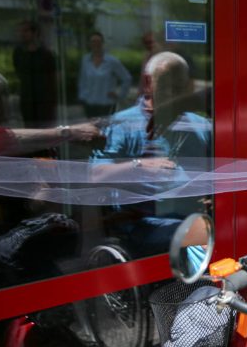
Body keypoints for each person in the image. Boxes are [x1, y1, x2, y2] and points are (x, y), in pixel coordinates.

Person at [90, 51, 210, 257]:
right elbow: (96, 174)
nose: (174, 96)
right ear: (148, 83)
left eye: (180, 88)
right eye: (166, 87)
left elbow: (218, 172)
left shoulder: (200, 126)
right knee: (201, 236)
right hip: (142, 225)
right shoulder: (124, 123)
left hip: (194, 219)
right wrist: (139, 165)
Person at [12, 21, 57, 128]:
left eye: (26, 31)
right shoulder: (18, 52)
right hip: (27, 99)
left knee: (45, 129)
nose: (22, 34)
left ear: (35, 33)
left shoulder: (46, 53)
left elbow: (53, 77)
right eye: (20, 31)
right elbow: (18, 71)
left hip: (44, 100)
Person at [78, 31, 132, 118]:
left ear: (102, 43)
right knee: (92, 130)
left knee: (105, 130)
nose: (96, 44)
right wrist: (82, 98)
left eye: (98, 41)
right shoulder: (85, 60)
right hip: (89, 103)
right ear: (89, 43)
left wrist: (120, 94)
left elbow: (127, 78)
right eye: (93, 41)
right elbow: (82, 80)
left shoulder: (112, 61)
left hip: (106, 103)